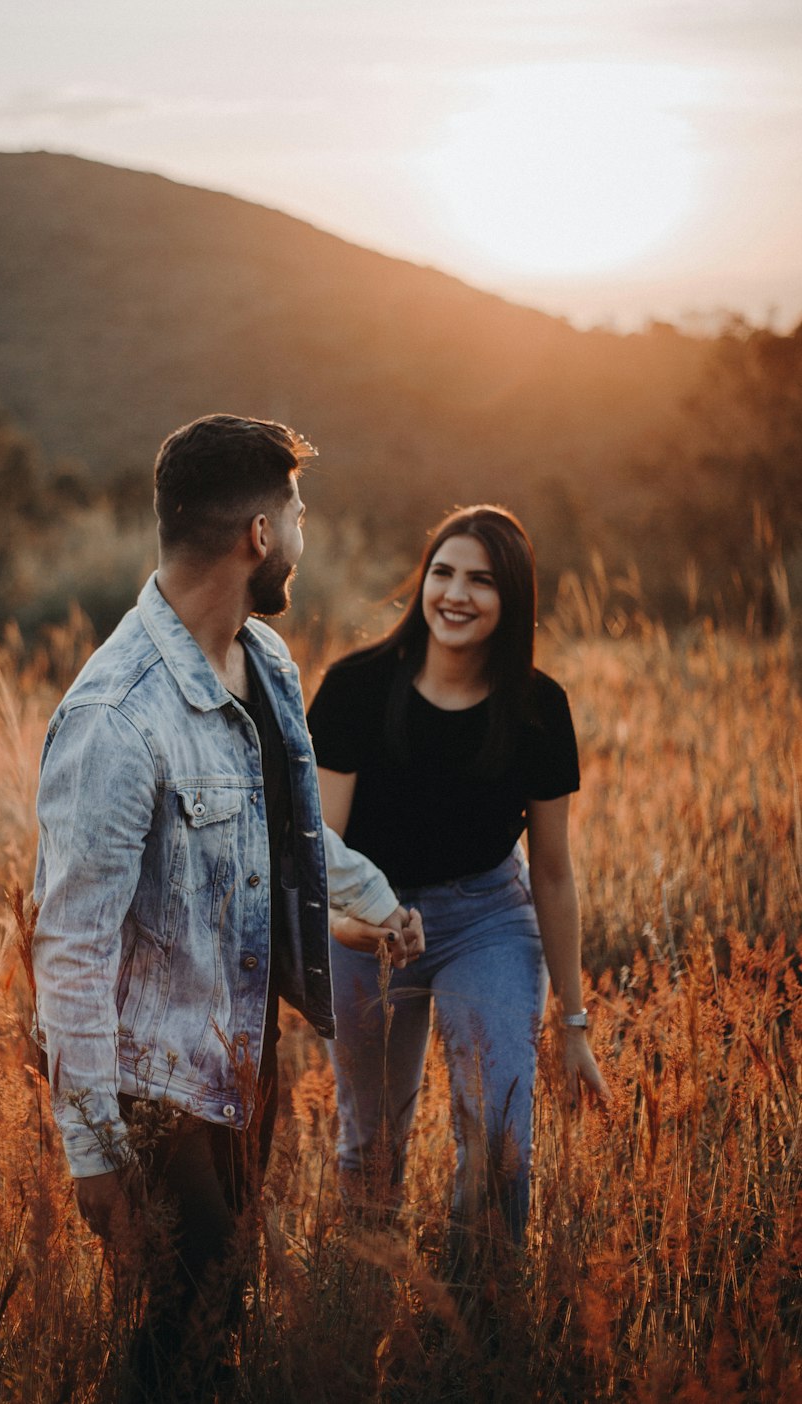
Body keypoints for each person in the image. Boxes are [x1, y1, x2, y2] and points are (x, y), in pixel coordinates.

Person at [30, 414, 422, 1396]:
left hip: (244, 1051)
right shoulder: (116, 718)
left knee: (225, 1307)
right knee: (181, 1330)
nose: (302, 532)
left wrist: (374, 897)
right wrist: (92, 1155)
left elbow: (279, 830)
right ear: (257, 533)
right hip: (154, 1085)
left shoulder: (268, 664)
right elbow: (68, 950)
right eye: (296, 511)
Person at [306, 504, 608, 1253]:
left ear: (512, 599)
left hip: (487, 918)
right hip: (364, 921)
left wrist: (573, 1026)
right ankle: (373, 1303)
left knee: (501, 1133)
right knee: (372, 1143)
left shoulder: (540, 708)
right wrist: (362, 927)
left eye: (481, 580)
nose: (455, 594)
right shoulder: (355, 688)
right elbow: (318, 860)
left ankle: (485, 1323)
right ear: (423, 583)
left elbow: (557, 874)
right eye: (442, 572)